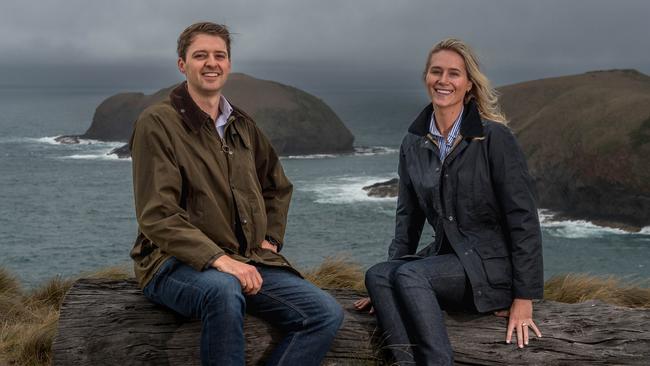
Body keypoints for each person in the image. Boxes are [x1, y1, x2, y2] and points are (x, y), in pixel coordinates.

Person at [129, 22, 343, 366]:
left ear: (229, 64)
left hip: (244, 259)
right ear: (182, 64)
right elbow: (158, 214)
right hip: (170, 263)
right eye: (200, 55)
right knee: (223, 291)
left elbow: (277, 186)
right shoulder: (157, 123)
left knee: (324, 314)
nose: (211, 63)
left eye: (219, 55)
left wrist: (270, 239)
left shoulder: (242, 125)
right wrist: (219, 260)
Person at [354, 38, 544, 365]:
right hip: (447, 261)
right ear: (426, 77)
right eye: (436, 71)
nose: (444, 80)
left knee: (411, 277)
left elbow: (523, 218)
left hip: (490, 268)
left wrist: (524, 297)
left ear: (469, 84)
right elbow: (407, 218)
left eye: (454, 74)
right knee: (378, 276)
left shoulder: (494, 138)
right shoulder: (413, 142)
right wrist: (390, 276)